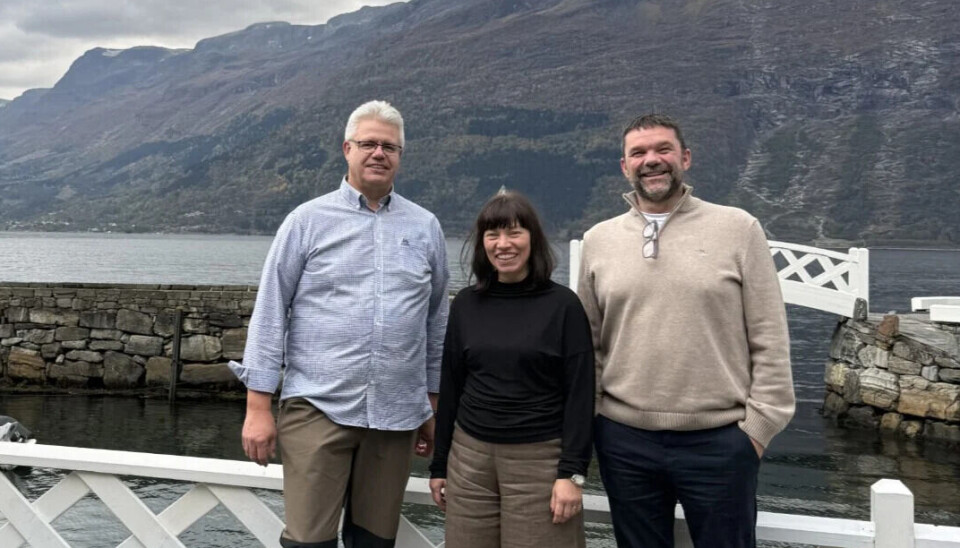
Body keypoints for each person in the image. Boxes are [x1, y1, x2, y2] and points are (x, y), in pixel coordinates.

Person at [228, 100, 449, 548]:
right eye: (368, 143)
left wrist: (432, 404)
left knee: (374, 540)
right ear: (347, 149)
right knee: (309, 541)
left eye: (390, 146)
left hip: (396, 417)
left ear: (400, 156)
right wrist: (258, 408)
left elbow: (437, 321)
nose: (379, 153)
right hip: (319, 406)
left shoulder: (425, 227)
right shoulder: (306, 222)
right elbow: (270, 311)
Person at [577, 114, 795, 548]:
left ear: (686, 158)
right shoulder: (598, 240)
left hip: (721, 440)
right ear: (624, 165)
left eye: (663, 149)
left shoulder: (739, 229)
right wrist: (597, 419)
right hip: (624, 440)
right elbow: (589, 344)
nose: (651, 160)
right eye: (639, 152)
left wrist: (757, 431)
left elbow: (769, 336)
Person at [428, 191, 594, 548]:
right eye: (493, 235)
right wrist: (440, 465)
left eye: (514, 232)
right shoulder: (466, 305)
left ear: (533, 239)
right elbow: (451, 387)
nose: (503, 244)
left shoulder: (563, 306)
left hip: (540, 460)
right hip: (469, 460)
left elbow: (581, 395)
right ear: (482, 244)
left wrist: (572, 474)